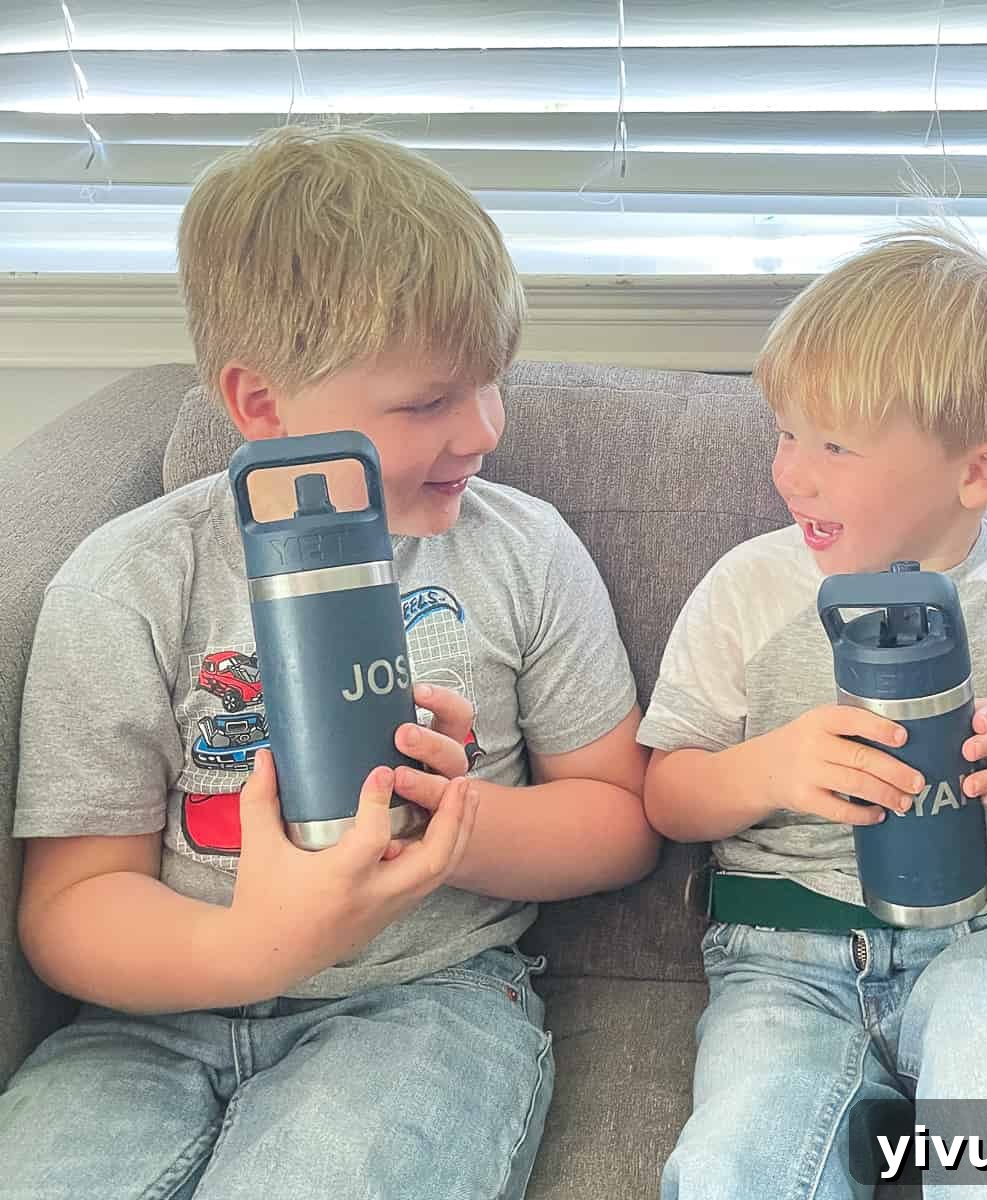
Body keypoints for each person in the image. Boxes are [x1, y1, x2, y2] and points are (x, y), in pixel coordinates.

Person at [0, 126, 657, 1200]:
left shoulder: (523, 549)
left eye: (491, 384)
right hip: (153, 1014)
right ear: (261, 404)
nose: (483, 430)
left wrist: (454, 824)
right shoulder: (131, 580)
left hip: (421, 997)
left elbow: (621, 819)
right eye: (427, 402)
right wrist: (255, 948)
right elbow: (73, 901)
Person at [638, 226, 987, 1198]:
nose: (792, 473)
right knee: (739, 1167)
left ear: (979, 471)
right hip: (784, 955)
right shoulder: (748, 590)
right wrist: (770, 769)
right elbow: (668, 795)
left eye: (835, 445)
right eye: (787, 432)